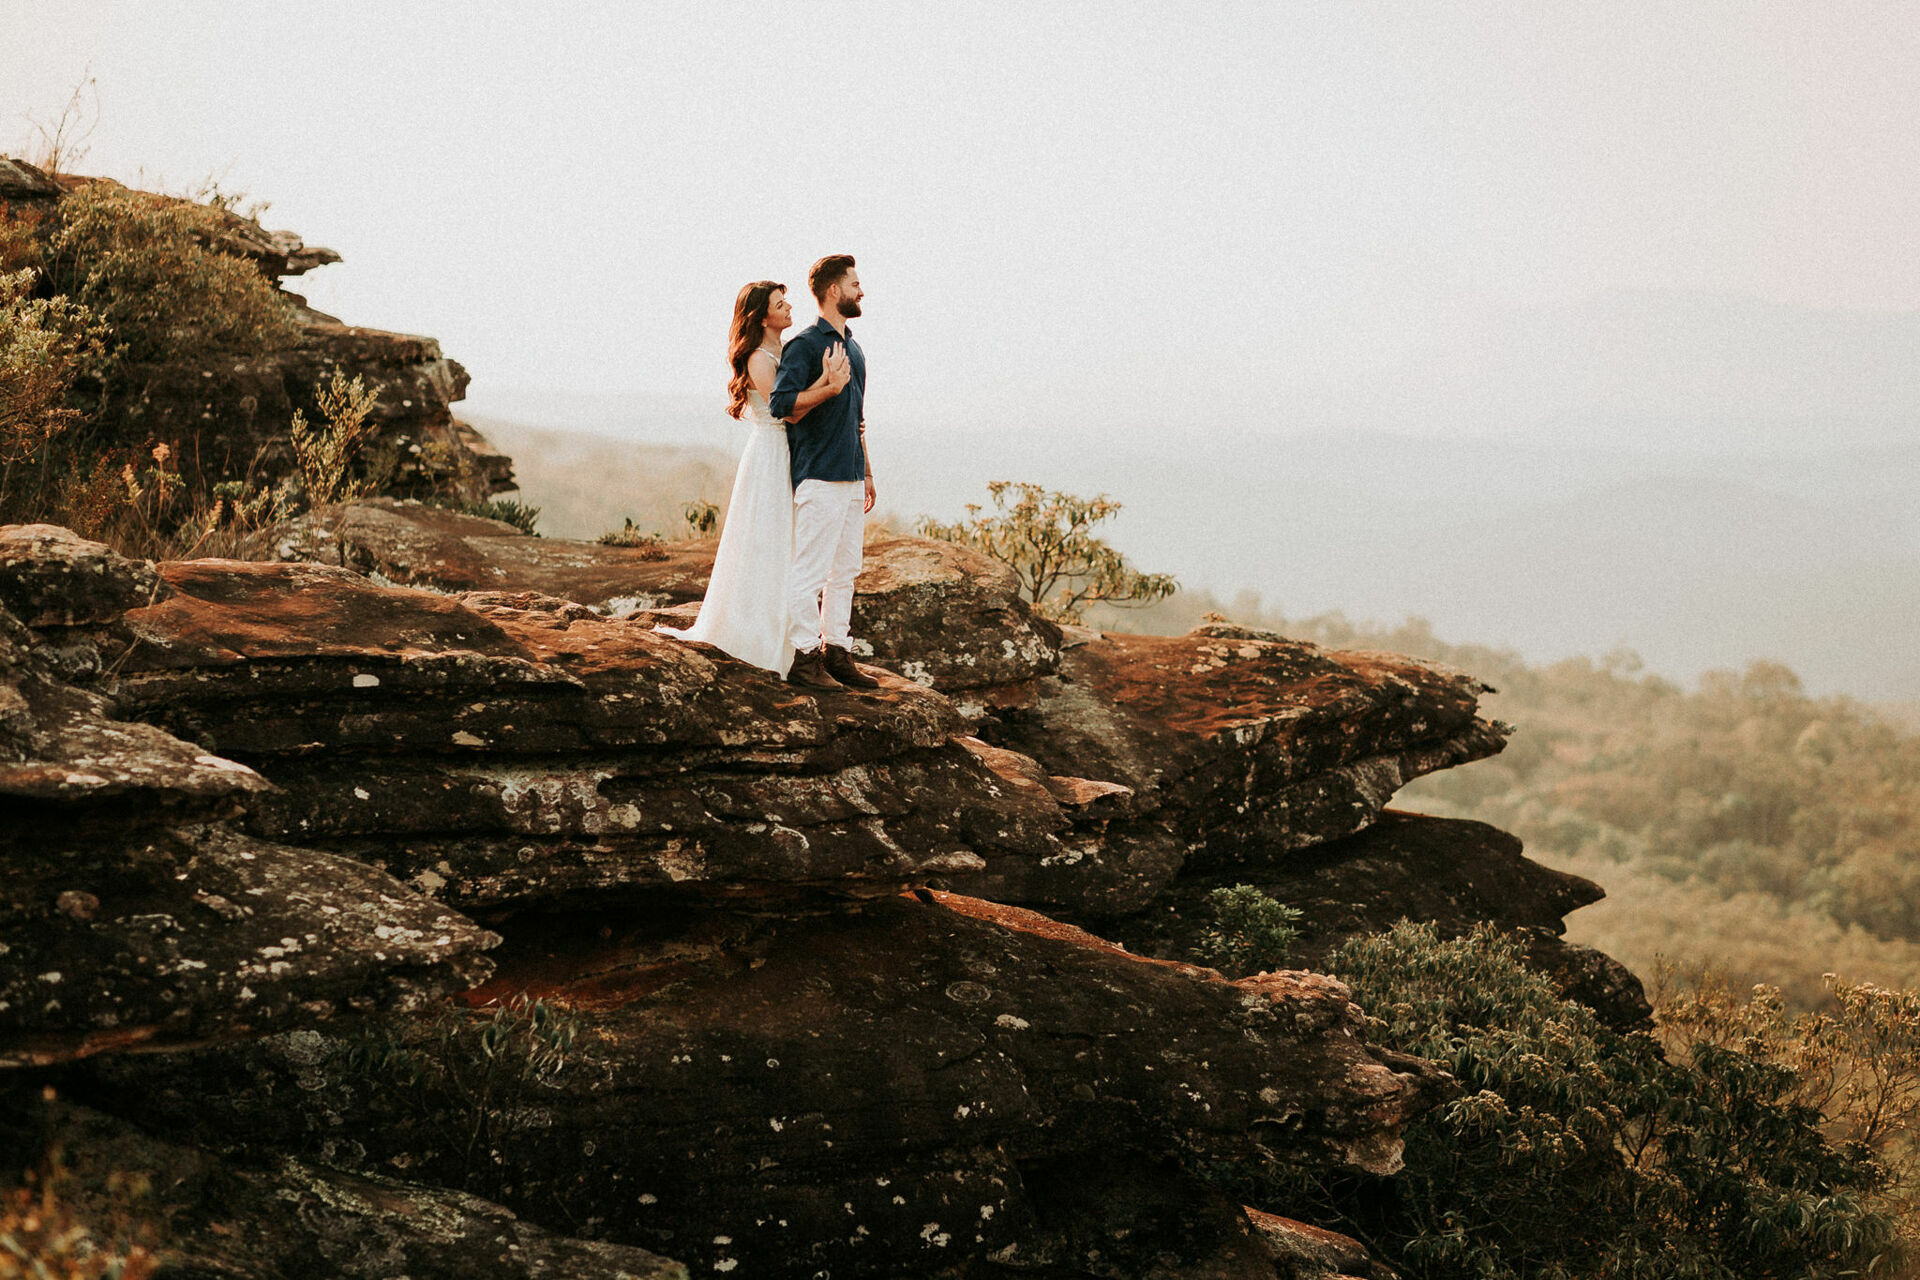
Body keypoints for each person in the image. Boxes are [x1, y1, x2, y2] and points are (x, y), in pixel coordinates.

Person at [657, 280, 847, 676]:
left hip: (792, 452)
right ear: (763, 316)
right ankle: (757, 629)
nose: (790, 307)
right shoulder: (759, 358)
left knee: (790, 542)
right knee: (765, 539)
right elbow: (783, 409)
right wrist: (828, 384)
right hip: (769, 454)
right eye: (781, 303)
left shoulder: (787, 349)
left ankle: (788, 630)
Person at [771, 254, 880, 690]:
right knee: (810, 572)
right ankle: (803, 657)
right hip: (818, 475)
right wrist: (826, 388)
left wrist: (868, 471)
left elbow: (858, 418)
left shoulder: (854, 348)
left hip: (851, 476)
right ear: (834, 291)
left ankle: (837, 650)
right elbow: (781, 404)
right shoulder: (805, 346)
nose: (861, 290)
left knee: (847, 569)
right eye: (855, 283)